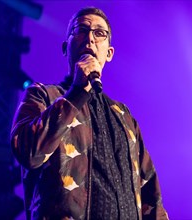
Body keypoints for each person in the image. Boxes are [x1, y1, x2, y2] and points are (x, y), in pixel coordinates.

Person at [10, 6, 168, 220]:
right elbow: (29, 152)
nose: (90, 39)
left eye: (99, 33)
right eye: (81, 30)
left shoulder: (124, 117)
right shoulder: (42, 96)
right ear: (66, 48)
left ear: (109, 53)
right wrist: (76, 93)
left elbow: (151, 195)